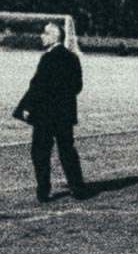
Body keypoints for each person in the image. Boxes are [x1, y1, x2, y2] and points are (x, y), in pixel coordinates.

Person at [13, 21, 89, 202]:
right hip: (65, 113)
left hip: (45, 114)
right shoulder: (73, 57)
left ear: (55, 37)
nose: (42, 36)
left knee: (40, 152)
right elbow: (77, 86)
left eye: (45, 33)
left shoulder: (47, 58)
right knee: (67, 151)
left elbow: (38, 86)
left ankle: (44, 189)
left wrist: (26, 107)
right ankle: (77, 187)